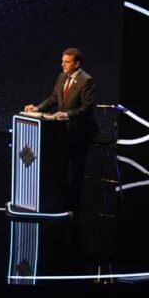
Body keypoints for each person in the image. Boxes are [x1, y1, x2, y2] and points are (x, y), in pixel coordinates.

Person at [23, 47, 96, 210]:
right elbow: (53, 98)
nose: (62, 64)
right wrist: (37, 108)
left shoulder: (86, 80)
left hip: (80, 132)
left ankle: (74, 206)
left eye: (67, 62)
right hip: (62, 131)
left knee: (76, 170)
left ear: (77, 64)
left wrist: (67, 114)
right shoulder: (62, 76)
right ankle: (60, 201)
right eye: (62, 61)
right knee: (60, 166)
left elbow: (86, 108)